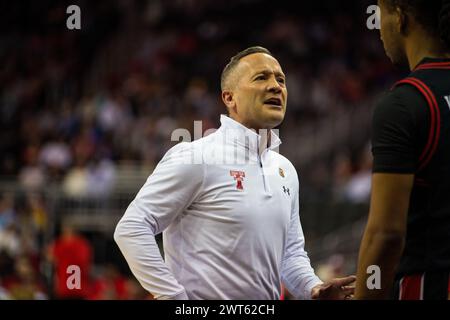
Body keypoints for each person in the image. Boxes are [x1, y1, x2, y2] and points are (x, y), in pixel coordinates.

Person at [114, 46, 355, 300]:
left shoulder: (285, 169)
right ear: (229, 98)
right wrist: (175, 299)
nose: (276, 86)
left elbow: (290, 254)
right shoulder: (197, 157)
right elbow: (131, 228)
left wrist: (312, 288)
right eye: (261, 77)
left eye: (280, 79)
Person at [355, 0, 450, 300]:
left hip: (429, 284)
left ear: (400, 18)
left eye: (380, 14)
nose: (379, 29)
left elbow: (386, 235)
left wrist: (365, 293)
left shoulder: (405, 103)